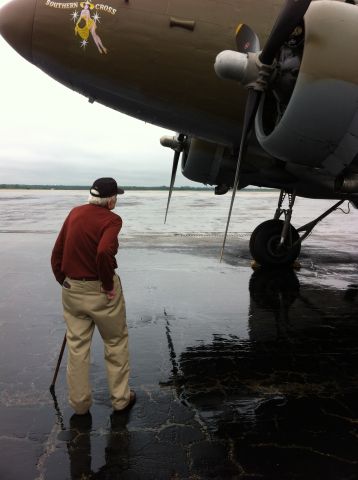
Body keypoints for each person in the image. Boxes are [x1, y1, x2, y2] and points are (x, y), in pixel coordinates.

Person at [51, 177, 135, 415]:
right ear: (110, 200)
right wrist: (108, 285)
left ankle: (79, 405)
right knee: (115, 343)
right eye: (116, 196)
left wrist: (64, 281)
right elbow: (103, 252)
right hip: (100, 291)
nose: (117, 199)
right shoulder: (112, 219)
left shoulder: (75, 213)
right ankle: (120, 399)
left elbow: (57, 252)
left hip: (72, 289)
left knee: (77, 347)